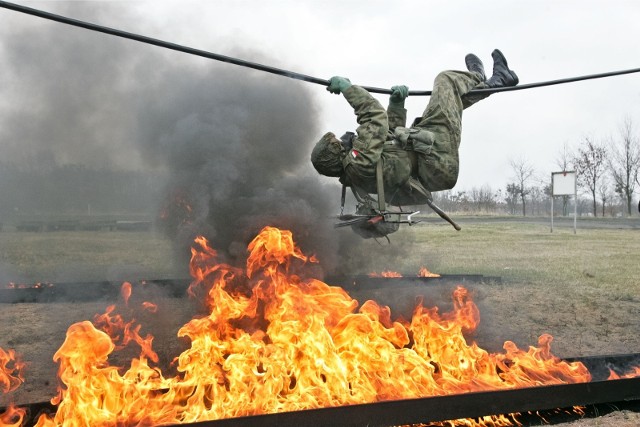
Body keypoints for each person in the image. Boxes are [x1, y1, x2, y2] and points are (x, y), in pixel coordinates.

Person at [311, 49, 519, 213]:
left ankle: (489, 80)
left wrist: (396, 105)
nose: (344, 139)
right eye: (339, 144)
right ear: (336, 157)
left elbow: (388, 138)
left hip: (429, 155)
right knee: (445, 81)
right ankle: (482, 77)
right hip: (437, 157)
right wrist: (348, 89)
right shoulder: (358, 162)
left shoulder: (358, 168)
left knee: (451, 100)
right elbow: (374, 118)